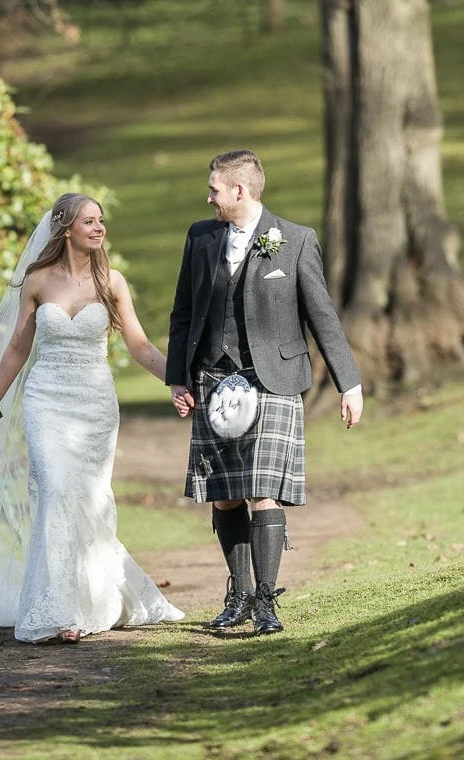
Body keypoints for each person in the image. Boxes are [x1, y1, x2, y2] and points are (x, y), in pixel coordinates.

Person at [0, 192, 184, 644]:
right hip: (47, 401)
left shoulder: (112, 282)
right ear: (65, 231)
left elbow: (138, 344)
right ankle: (60, 608)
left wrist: (175, 381)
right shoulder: (38, 281)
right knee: (56, 492)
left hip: (96, 406)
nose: (98, 228)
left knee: (91, 498)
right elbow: (18, 348)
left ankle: (95, 596)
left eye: (101, 221)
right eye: (88, 222)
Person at [166, 149, 364, 635]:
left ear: (240, 190)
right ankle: (239, 596)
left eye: (214, 188)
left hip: (274, 379)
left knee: (263, 492)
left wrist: (349, 383)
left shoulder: (295, 240)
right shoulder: (201, 237)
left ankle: (266, 602)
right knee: (226, 495)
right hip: (215, 380)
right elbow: (183, 313)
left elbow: (322, 317)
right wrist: (178, 376)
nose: (208, 196)